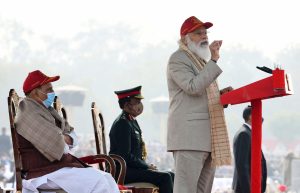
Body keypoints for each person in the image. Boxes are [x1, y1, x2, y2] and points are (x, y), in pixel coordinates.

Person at [15, 70, 119, 193]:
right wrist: (64, 137)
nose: (52, 93)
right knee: (99, 182)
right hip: (41, 172)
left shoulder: (46, 110)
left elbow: (73, 138)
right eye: (48, 89)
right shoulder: (29, 111)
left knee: (107, 178)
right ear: (35, 92)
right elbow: (60, 145)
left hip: (54, 168)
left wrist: (63, 137)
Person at [166, 16, 232, 193]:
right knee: (185, 190)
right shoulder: (178, 59)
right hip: (189, 138)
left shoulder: (201, 61)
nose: (205, 37)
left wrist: (220, 97)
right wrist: (214, 60)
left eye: (205, 33)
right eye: (198, 33)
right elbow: (193, 87)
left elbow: (202, 94)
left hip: (207, 138)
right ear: (186, 37)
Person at [109, 86, 174, 193]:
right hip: (124, 171)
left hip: (131, 169)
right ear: (126, 105)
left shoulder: (131, 121)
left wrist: (145, 166)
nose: (140, 106)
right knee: (165, 177)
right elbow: (125, 156)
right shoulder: (123, 123)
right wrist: (146, 166)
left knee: (171, 175)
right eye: (137, 102)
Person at [232, 106, 267, 193]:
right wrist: (247, 189)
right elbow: (242, 165)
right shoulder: (244, 134)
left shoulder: (249, 133)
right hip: (246, 188)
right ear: (251, 116)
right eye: (259, 114)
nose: (261, 118)